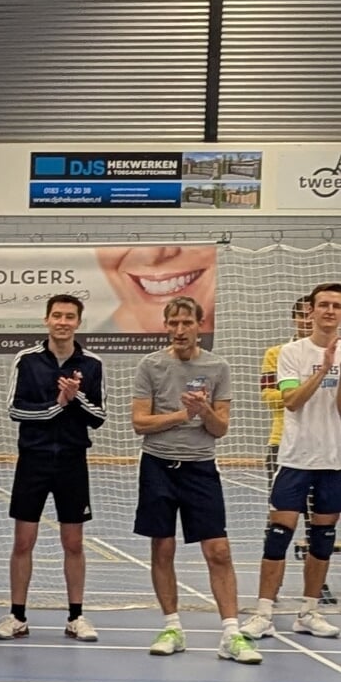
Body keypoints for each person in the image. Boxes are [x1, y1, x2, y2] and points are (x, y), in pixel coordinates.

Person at [133, 297, 258, 662]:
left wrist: (204, 412)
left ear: (199, 326)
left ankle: (231, 634)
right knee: (163, 547)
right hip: (157, 465)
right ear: (166, 326)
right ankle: (172, 626)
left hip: (201, 468)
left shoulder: (218, 367)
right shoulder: (150, 365)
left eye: (187, 322)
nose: (180, 330)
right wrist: (180, 414)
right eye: (173, 323)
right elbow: (140, 422)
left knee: (218, 550)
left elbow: (221, 429)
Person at [0, 294, 105, 644]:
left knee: (73, 541)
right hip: (34, 460)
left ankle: (76, 616)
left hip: (73, 461)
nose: (62, 322)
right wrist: (58, 405)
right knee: (23, 540)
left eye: (70, 316)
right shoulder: (26, 360)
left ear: (78, 322)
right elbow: (15, 410)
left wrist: (77, 397)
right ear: (46, 320)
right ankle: (17, 615)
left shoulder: (92, 363)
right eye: (57, 315)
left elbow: (98, 417)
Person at [241, 281, 341, 642]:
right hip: (296, 457)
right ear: (311, 311)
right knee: (278, 536)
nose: (330, 311)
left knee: (322, 539)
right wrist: (322, 369)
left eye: (336, 306)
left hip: (334, 460)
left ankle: (309, 611)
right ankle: (264, 611)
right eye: (324, 305)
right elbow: (291, 401)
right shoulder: (290, 352)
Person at [262, 295, 314, 479]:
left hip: (323, 443)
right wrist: (304, 392)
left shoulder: (333, 354)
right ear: (294, 319)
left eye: (311, 315)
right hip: (282, 440)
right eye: (301, 315)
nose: (307, 320)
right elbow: (268, 397)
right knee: (281, 506)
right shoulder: (274, 354)